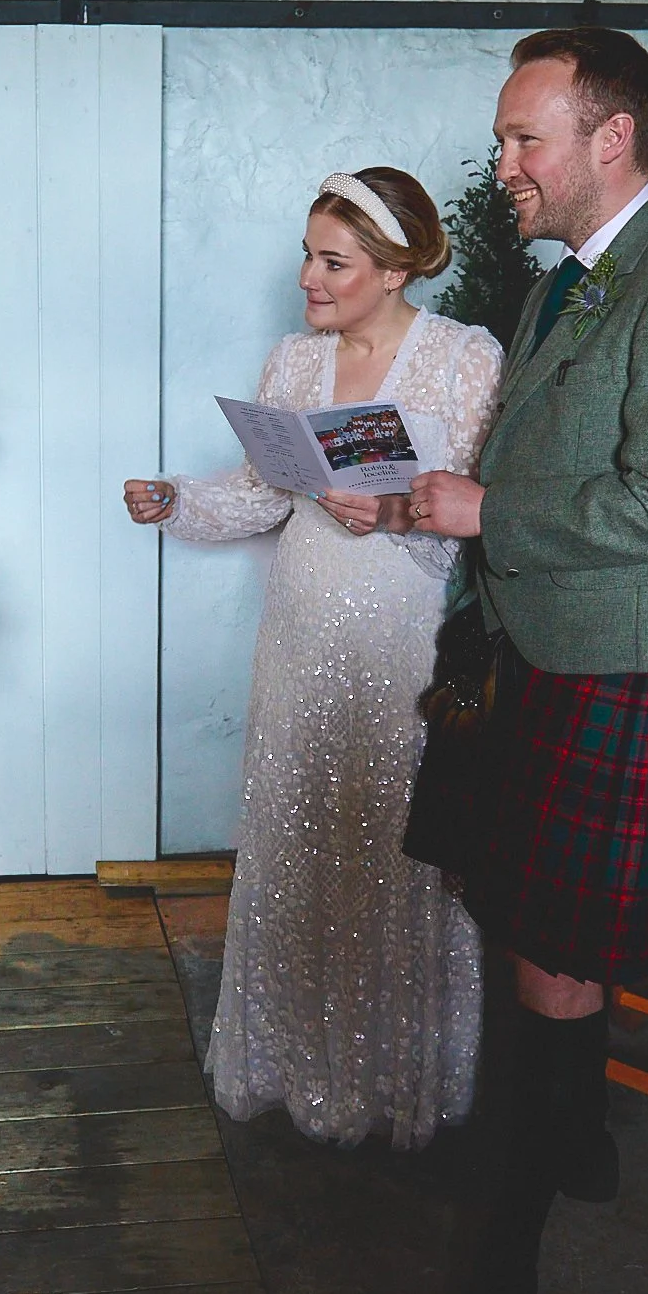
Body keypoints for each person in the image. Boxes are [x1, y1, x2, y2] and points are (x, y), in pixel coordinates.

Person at [403, 28, 648, 1292]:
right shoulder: (560, 277)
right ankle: (570, 1145)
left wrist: (482, 515)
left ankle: (505, 1231)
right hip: (545, 648)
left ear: (608, 138)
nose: (503, 163)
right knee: (526, 916)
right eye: (506, 139)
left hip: (623, 664)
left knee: (556, 944)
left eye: (524, 139)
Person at [124, 167, 500, 1147]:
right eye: (306, 254)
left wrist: (392, 509)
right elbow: (259, 495)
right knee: (295, 836)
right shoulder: (293, 363)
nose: (307, 279)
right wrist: (177, 500)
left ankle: (392, 1082)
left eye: (332, 262)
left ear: (395, 267)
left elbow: (485, 522)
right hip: (296, 632)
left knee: (389, 844)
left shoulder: (463, 359)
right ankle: (295, 1064)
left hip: (402, 638)